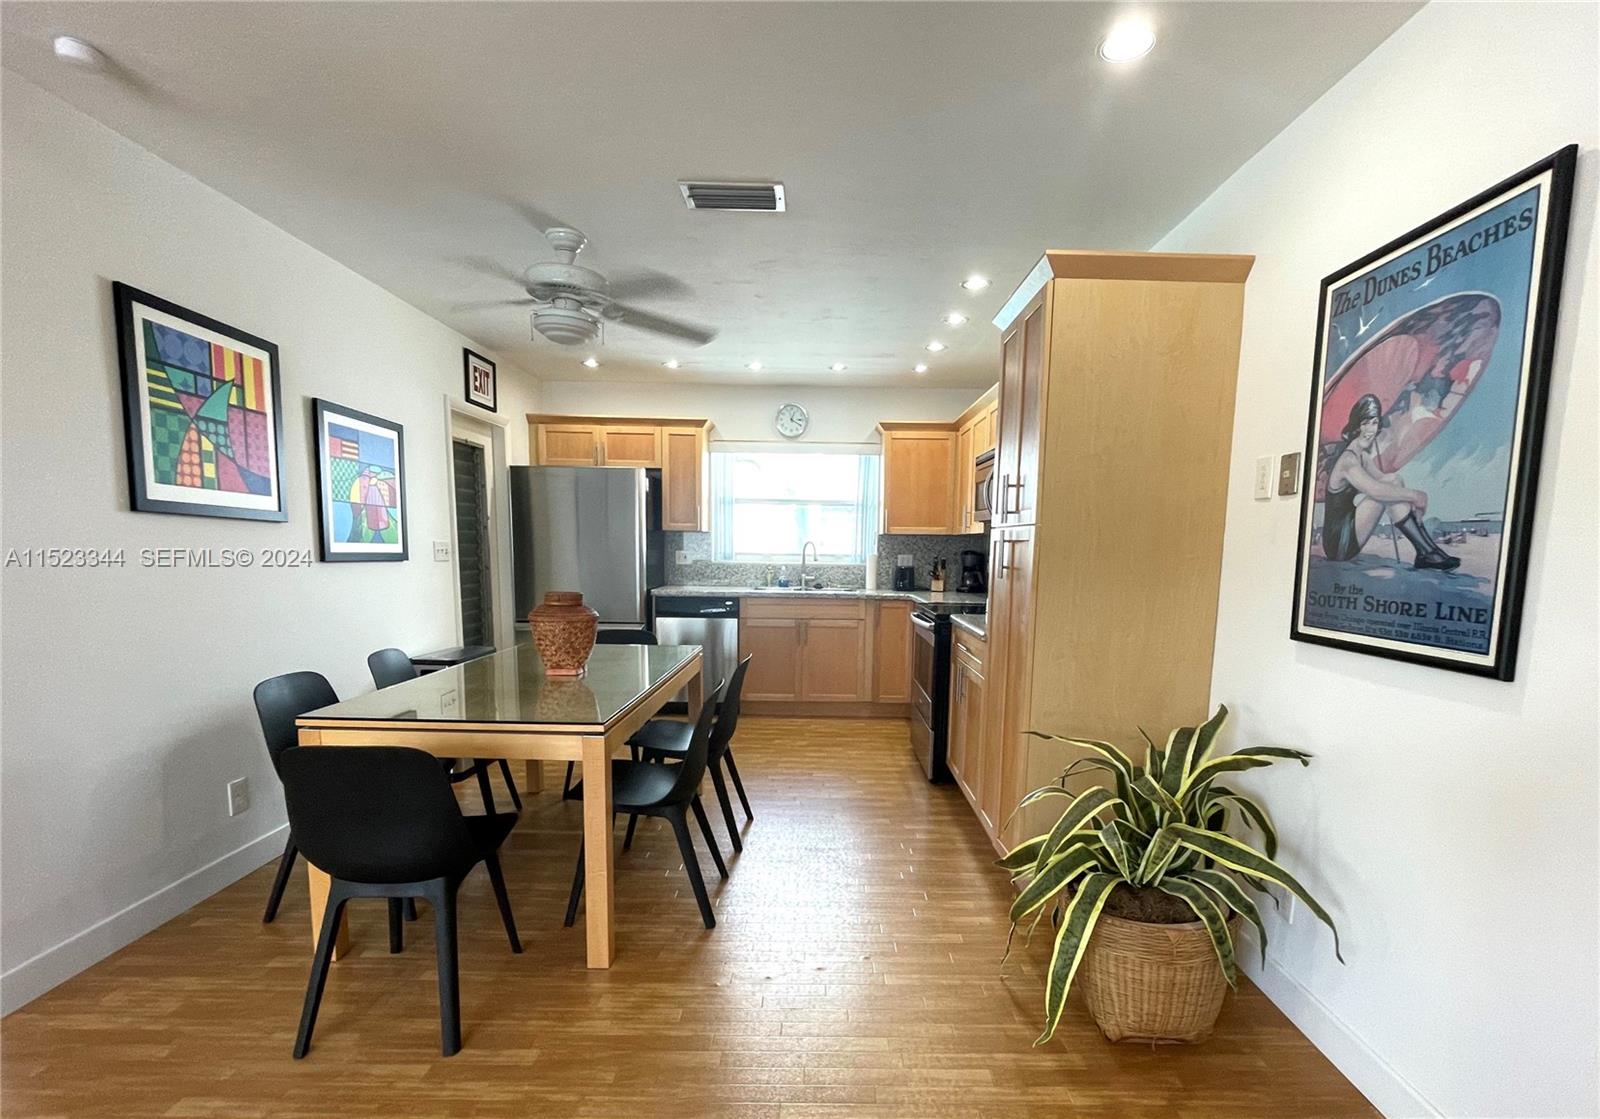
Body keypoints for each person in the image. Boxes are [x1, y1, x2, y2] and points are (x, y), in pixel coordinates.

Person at [1322, 394, 1459, 570]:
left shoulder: (1362, 456)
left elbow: (1388, 480)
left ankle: (1426, 550)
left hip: (1350, 528)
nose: (1370, 430)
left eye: (1374, 423)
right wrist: (1415, 496)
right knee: (1385, 492)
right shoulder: (1348, 460)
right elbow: (1376, 491)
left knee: (1394, 480)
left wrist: (1410, 498)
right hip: (1339, 541)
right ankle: (1426, 551)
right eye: (1365, 423)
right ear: (1356, 426)